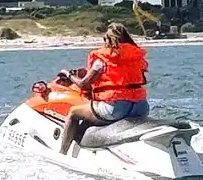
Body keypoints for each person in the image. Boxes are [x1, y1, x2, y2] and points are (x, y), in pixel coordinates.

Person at [58, 22, 150, 153]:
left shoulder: (102, 59)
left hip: (116, 108)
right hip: (141, 107)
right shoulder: (137, 57)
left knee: (73, 112)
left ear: (108, 39)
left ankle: (63, 152)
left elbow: (83, 84)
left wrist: (68, 74)